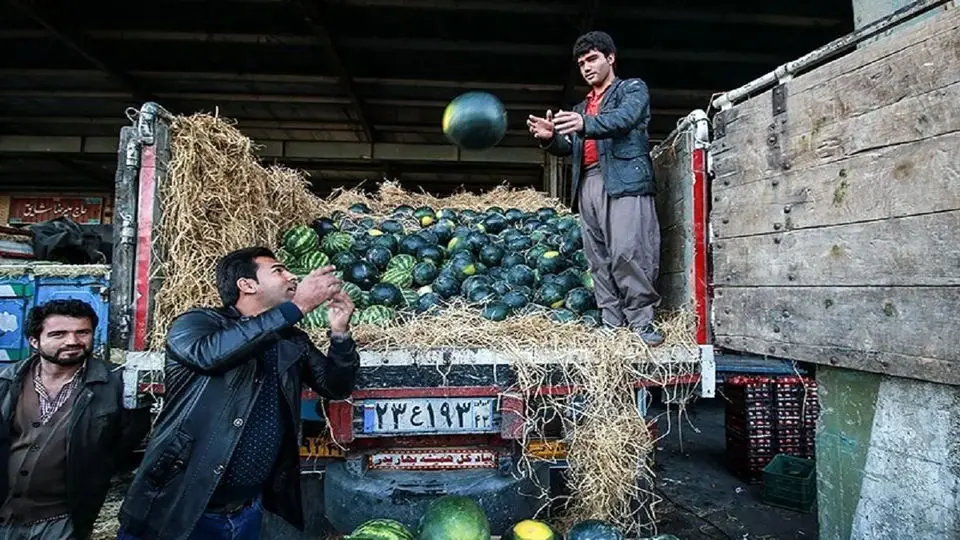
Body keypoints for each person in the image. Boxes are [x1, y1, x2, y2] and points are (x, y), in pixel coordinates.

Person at [116, 246, 360, 540]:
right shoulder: (196, 324)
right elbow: (211, 356)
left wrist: (340, 333)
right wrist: (298, 307)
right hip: (177, 505)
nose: (292, 276)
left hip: (245, 512)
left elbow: (335, 386)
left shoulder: (291, 339)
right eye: (278, 270)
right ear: (247, 285)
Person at [527, 30, 664, 347]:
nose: (586, 67)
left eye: (592, 59)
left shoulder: (631, 89)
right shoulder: (581, 106)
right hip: (588, 182)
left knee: (629, 250)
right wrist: (550, 138)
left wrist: (583, 123)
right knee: (598, 257)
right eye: (581, 63)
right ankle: (611, 322)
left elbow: (624, 120)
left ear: (610, 58)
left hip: (625, 180)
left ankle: (641, 322)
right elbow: (570, 146)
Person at [0, 299, 151, 540]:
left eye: (83, 332)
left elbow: (127, 443)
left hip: (62, 523)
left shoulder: (117, 384)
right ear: (34, 341)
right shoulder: (7, 382)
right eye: (58, 334)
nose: (72, 341)